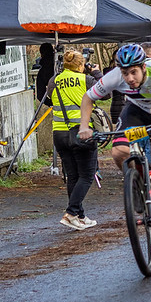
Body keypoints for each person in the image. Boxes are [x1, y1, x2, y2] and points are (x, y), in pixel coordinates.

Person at [79, 44, 151, 240]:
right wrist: (84, 126)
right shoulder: (114, 76)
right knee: (118, 152)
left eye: (133, 72)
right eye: (125, 73)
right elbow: (88, 98)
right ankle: (138, 184)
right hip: (136, 113)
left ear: (143, 68)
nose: (129, 78)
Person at [48, 50, 101, 230]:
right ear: (80, 66)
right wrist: (96, 73)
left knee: (72, 175)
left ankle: (79, 215)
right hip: (81, 131)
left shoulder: (54, 80)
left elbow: (47, 98)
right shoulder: (86, 80)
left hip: (59, 133)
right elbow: (106, 92)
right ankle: (71, 213)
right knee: (86, 175)